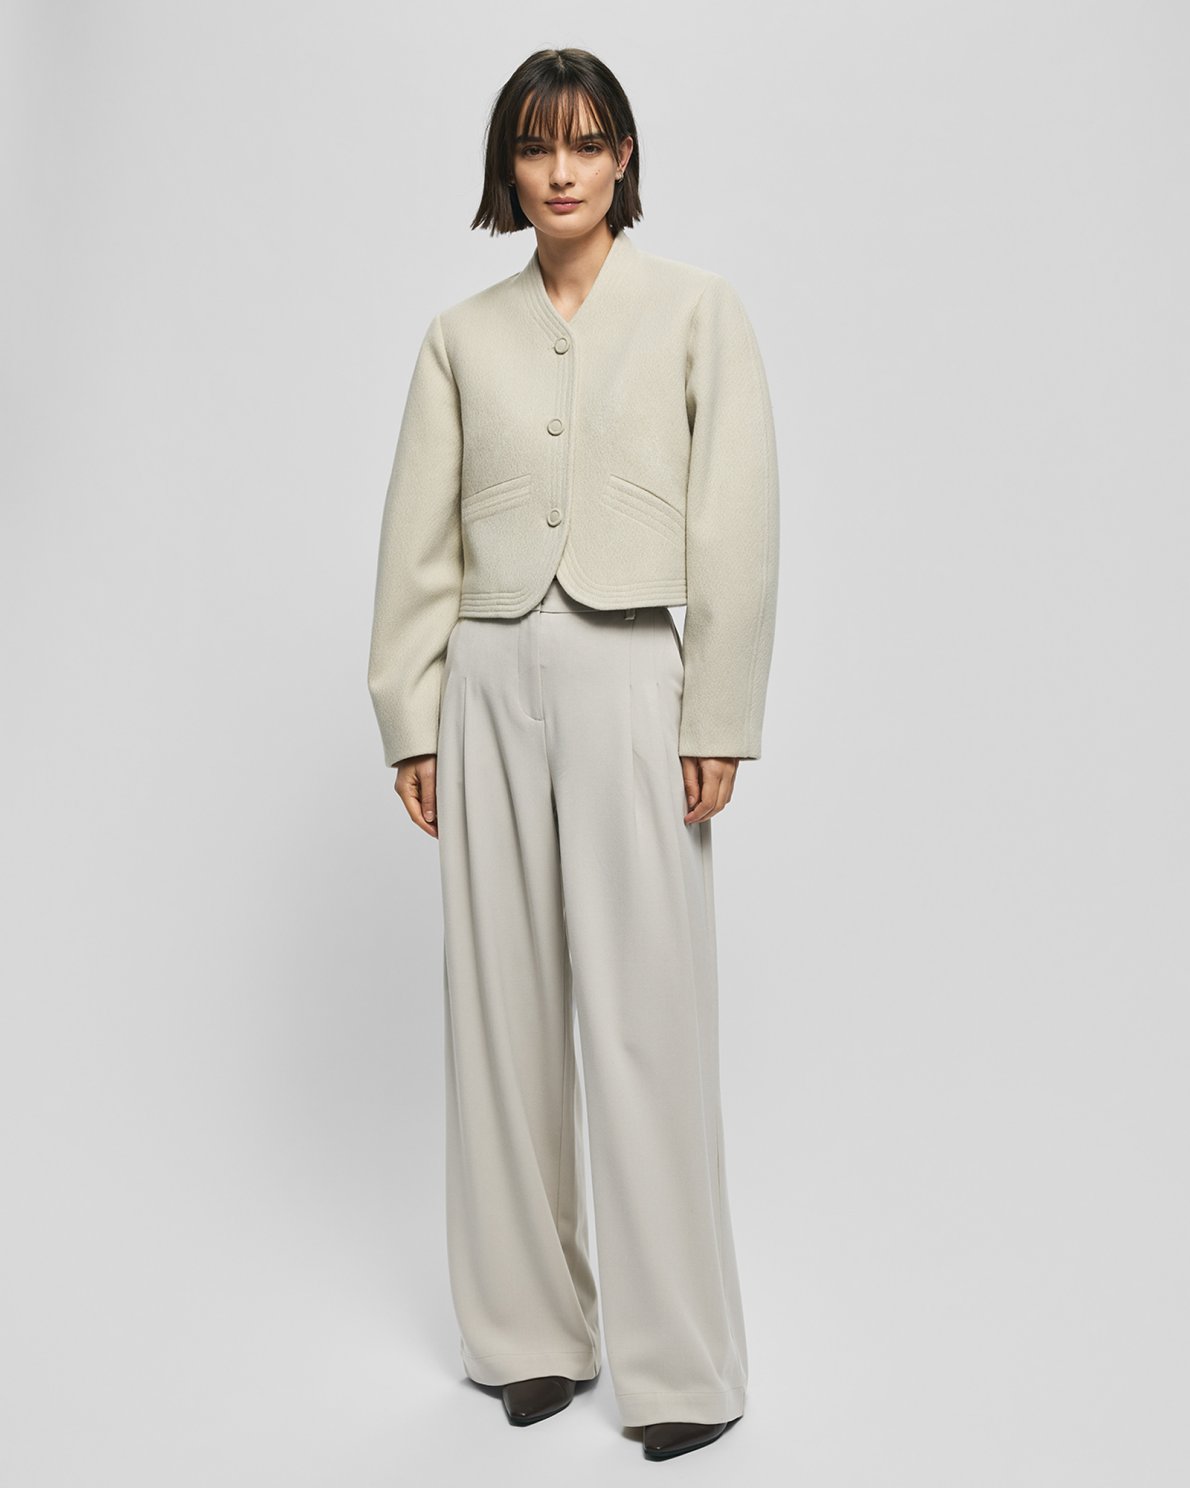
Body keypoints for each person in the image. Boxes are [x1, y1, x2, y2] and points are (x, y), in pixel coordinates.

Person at [367, 47, 779, 1462]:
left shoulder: (696, 311)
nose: (561, 171)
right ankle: (529, 1339)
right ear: (508, 166)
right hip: (483, 683)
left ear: (622, 160)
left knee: (646, 1016)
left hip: (631, 677)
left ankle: (680, 1368)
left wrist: (717, 714)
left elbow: (735, 521)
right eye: (537, 147)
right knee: (500, 1014)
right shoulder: (458, 337)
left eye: (587, 144)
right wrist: (409, 716)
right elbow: (415, 541)